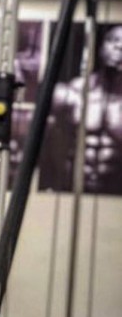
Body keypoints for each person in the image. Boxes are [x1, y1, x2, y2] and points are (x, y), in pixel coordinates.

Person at [40, 23, 122, 195]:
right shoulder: (72, 92)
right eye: (113, 40)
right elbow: (48, 145)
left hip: (115, 193)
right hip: (72, 188)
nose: (119, 47)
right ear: (100, 48)